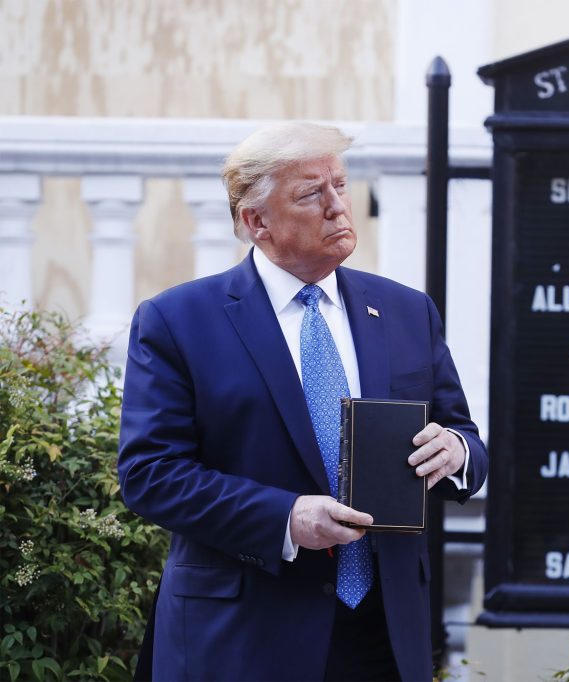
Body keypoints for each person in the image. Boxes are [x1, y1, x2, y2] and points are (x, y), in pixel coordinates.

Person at [117, 122, 487, 681]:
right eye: (312, 193)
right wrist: (286, 518)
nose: (338, 206)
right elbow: (150, 474)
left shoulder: (407, 311)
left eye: (340, 185)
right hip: (244, 636)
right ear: (256, 222)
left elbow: (467, 439)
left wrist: (456, 452)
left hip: (385, 634)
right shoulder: (177, 321)